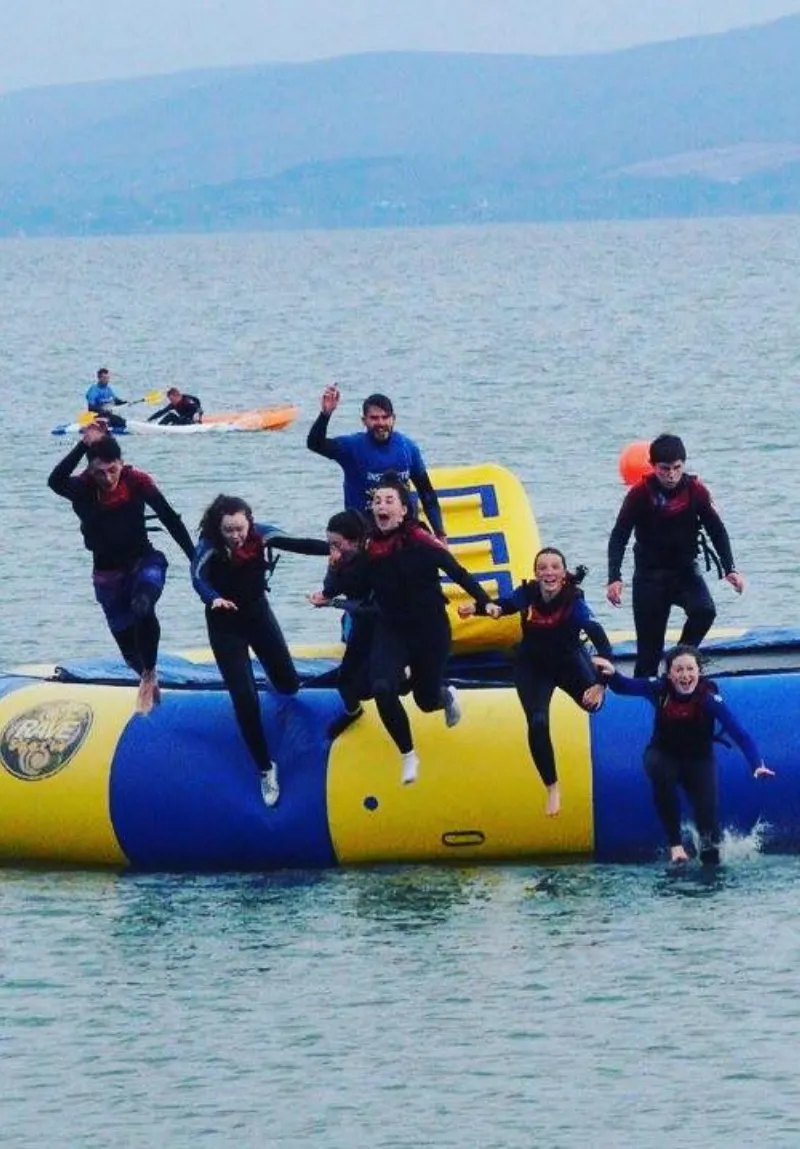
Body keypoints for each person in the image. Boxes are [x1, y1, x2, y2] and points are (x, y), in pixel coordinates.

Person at [311, 474, 493, 784]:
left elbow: (456, 571)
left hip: (430, 629)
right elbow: (355, 579)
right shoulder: (370, 546)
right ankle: (408, 755)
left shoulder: (421, 540)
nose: (381, 506)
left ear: (404, 510)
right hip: (391, 627)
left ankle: (445, 696)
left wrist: (484, 602)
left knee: (425, 701)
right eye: (377, 501)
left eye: (389, 500)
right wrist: (329, 589)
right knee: (382, 687)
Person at [47, 422, 195, 714]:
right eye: (100, 471)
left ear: (122, 464)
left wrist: (195, 559)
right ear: (90, 470)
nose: (108, 477)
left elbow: (169, 517)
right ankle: (147, 680)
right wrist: (83, 445)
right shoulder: (82, 488)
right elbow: (54, 481)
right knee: (129, 651)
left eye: (112, 469)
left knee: (142, 605)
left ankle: (150, 672)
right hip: (107, 576)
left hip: (144, 561)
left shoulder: (136, 481)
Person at [191, 495, 329, 807]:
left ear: (249, 522)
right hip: (225, 626)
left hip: (258, 617)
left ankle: (275, 681)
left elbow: (300, 543)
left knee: (289, 684)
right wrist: (212, 598)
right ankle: (266, 768)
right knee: (244, 698)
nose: (236, 536)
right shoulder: (210, 547)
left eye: (240, 528)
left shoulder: (263, 535)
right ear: (218, 527)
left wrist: (336, 550)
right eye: (229, 530)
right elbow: (197, 578)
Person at [459, 547, 610, 817]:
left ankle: (591, 667)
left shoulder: (574, 602)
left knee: (593, 706)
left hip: (568, 662)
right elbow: (502, 606)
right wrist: (477, 607)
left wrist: (600, 685)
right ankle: (552, 787)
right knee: (538, 722)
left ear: (563, 574)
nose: (548, 572)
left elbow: (601, 638)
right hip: (533, 667)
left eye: (555, 567)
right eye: (543, 567)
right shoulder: (527, 594)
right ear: (536, 573)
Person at [594, 645, 774, 865]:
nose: (685, 675)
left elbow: (739, 733)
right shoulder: (660, 689)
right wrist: (612, 674)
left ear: (699, 672)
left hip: (699, 761)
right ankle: (676, 846)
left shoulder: (708, 699)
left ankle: (709, 861)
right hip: (662, 754)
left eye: (690, 669)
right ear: (670, 674)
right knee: (661, 771)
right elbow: (625, 687)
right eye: (679, 670)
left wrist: (756, 764)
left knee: (709, 837)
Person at [606, 433, 745, 677]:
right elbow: (619, 535)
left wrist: (730, 568)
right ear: (653, 466)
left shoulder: (696, 490)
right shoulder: (639, 494)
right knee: (648, 655)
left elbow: (716, 529)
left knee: (705, 611)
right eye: (664, 469)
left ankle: (678, 662)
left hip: (685, 573)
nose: (671, 475)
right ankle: (646, 704)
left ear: (684, 464)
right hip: (649, 578)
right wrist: (614, 577)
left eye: (676, 468)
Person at [307, 385, 447, 540]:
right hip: (364, 536)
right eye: (374, 418)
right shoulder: (352, 447)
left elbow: (427, 494)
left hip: (402, 535)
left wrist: (440, 534)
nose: (380, 423)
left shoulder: (408, 448)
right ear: (364, 421)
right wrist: (325, 414)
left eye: (385, 417)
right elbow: (315, 444)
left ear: (393, 418)